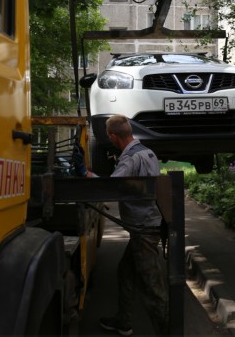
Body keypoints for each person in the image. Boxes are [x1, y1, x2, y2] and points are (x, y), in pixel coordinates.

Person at [73, 115, 169, 336]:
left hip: (144, 231)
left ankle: (167, 331)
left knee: (153, 287)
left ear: (114, 137)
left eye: (109, 137)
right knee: (125, 272)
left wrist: (84, 174)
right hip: (147, 226)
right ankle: (123, 321)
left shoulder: (130, 160)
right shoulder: (147, 151)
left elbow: (111, 189)